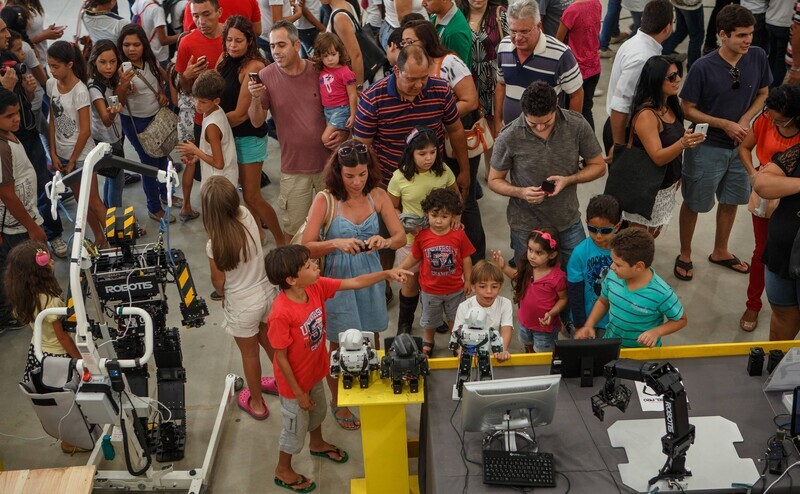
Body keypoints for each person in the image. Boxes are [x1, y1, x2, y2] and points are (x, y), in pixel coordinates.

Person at [264, 244, 410, 492]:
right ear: (291, 279)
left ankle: (318, 443)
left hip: (314, 372)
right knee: (294, 430)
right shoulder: (280, 313)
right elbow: (280, 358)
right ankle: (283, 469)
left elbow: (354, 282)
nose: (315, 265)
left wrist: (386, 274)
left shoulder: (315, 286)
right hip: (293, 387)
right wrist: (298, 393)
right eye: (308, 265)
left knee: (317, 412)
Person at [301, 139, 405, 430]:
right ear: (338, 172)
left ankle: (367, 385)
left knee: (370, 336)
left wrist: (384, 241)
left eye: (362, 174)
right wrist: (336, 243)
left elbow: (401, 237)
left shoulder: (378, 196)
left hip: (371, 275)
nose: (357, 181)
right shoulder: (325, 200)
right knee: (339, 343)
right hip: (338, 279)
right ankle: (339, 402)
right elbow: (305, 247)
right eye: (350, 176)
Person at [675, 4, 772, 281]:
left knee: (731, 200)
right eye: (741, 35)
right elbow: (687, 109)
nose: (748, 41)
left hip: (740, 147)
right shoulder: (702, 67)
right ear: (722, 35)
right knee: (694, 202)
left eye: (750, 34)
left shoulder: (757, 57)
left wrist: (744, 119)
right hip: (706, 146)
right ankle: (684, 253)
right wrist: (724, 124)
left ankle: (721, 250)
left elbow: (764, 92)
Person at [488, 81, 605, 267]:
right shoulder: (508, 136)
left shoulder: (576, 125)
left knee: (578, 274)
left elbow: (599, 165)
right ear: (523, 112)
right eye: (533, 123)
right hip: (526, 225)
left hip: (567, 221)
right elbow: (494, 180)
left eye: (547, 122)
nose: (540, 128)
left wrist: (569, 180)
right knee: (528, 283)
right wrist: (521, 192)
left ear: (556, 106)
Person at [248, 21, 344, 245]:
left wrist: (343, 133)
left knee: (333, 226)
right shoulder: (265, 76)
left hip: (328, 164)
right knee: (293, 230)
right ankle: (296, 278)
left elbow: (340, 107)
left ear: (296, 44)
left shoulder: (318, 71)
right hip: (293, 169)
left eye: (281, 45)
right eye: (272, 46)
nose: (276, 51)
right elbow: (256, 121)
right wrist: (254, 96)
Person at [400, 21, 484, 262]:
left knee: (463, 202)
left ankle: (475, 257)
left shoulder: (449, 62)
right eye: (403, 42)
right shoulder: (409, 66)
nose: (405, 46)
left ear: (425, 41)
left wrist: (440, 114)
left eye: (410, 41)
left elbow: (470, 100)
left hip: (456, 142)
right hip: (433, 148)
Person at [201, 176, 279, 420]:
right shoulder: (246, 214)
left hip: (242, 303)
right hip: (267, 291)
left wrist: (223, 295)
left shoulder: (215, 244)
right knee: (272, 345)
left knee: (249, 354)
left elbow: (219, 281)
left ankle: (256, 403)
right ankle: (283, 383)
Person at [354, 45, 470, 198]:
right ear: (397, 71)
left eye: (424, 78)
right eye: (411, 79)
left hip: (434, 182)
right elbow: (362, 147)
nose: (419, 85)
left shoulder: (441, 90)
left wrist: (465, 170)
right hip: (391, 186)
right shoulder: (373, 98)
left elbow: (455, 130)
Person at [215, 15, 284, 246]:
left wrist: (210, 126)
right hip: (229, 136)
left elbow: (241, 114)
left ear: (250, 41)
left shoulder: (254, 66)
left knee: (253, 196)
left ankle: (281, 239)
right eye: (229, 40)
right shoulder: (224, 59)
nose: (232, 46)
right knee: (243, 195)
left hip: (248, 137)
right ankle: (259, 235)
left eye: (239, 41)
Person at [737, 85, 800, 332]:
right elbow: (744, 147)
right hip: (766, 197)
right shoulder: (765, 120)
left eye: (781, 121)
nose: (775, 124)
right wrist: (753, 173)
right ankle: (753, 304)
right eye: (772, 118)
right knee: (762, 250)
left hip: (791, 202)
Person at [624, 56, 706, 236]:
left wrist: (677, 174)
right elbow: (658, 157)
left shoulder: (670, 106)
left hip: (665, 184)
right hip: (647, 187)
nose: (678, 80)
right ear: (655, 79)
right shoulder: (647, 115)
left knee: (654, 231)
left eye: (678, 74)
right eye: (671, 77)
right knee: (639, 236)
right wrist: (683, 143)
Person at [389, 127, 459, 335]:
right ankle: (405, 324)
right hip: (412, 239)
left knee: (436, 279)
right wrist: (405, 224)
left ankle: (434, 317)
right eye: (422, 154)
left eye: (432, 152)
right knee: (410, 282)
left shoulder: (444, 171)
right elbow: (392, 208)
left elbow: (457, 199)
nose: (428, 158)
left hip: (441, 239)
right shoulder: (399, 177)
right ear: (411, 152)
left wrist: (456, 217)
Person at [574, 228, 688, 348]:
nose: (612, 267)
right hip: (612, 345)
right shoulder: (612, 276)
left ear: (638, 266)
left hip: (642, 354)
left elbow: (681, 320)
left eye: (618, 264)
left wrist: (656, 332)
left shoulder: (662, 293)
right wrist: (589, 324)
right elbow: (603, 302)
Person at [399, 187, 474, 355]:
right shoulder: (423, 236)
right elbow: (414, 257)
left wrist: (468, 280)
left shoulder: (459, 234)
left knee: (456, 320)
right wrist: (399, 269)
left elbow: (466, 258)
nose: (439, 221)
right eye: (434, 215)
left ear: (453, 216)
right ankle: (428, 341)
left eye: (444, 216)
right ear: (426, 213)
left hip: (455, 289)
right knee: (429, 321)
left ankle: (457, 341)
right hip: (430, 290)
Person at [46, 41, 106, 248]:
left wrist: (72, 161)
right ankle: (100, 238)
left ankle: (120, 241)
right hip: (63, 156)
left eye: (56, 66)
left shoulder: (80, 91)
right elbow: (52, 120)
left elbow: (85, 131)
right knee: (82, 203)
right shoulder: (51, 84)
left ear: (70, 64)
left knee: (94, 202)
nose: (52, 70)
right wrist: (53, 153)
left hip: (82, 157)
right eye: (49, 65)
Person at [493, 0, 583, 130]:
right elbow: (501, 84)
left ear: (539, 26)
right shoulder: (504, 47)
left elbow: (576, 94)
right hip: (510, 135)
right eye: (513, 31)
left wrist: (570, 131)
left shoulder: (561, 54)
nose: (517, 38)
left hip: (547, 139)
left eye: (524, 31)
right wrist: (497, 121)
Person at [116, 24, 175, 224]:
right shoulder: (119, 68)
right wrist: (123, 86)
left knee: (164, 157)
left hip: (156, 117)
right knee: (149, 164)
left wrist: (161, 94)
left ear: (144, 45)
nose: (131, 49)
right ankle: (154, 207)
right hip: (135, 122)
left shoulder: (151, 61)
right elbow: (118, 102)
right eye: (126, 45)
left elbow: (161, 81)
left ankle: (165, 194)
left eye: (136, 45)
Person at [0, 87, 46, 333]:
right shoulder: (1, 148)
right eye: (9, 115)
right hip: (17, 226)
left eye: (18, 112)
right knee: (26, 270)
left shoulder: (8, 134)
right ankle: (22, 313)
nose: (17, 118)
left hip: (25, 217)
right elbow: (6, 193)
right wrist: (33, 227)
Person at [175, 0, 226, 224]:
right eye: (196, 16)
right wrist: (186, 75)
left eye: (206, 15)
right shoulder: (187, 43)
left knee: (224, 162)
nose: (201, 22)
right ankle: (186, 204)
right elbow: (182, 87)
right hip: (199, 117)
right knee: (193, 162)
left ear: (219, 12)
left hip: (227, 114)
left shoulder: (230, 37)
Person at [604, 0, 674, 154]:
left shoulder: (638, 43)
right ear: (668, 28)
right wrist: (620, 148)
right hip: (625, 131)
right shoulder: (642, 58)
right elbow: (620, 105)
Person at [4, 241, 79, 378]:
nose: (53, 262)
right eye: (49, 261)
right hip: (58, 354)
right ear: (39, 273)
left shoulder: (24, 294)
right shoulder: (51, 302)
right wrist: (81, 361)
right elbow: (62, 338)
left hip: (38, 348)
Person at [493, 228, 566, 353]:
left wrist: (552, 313)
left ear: (552, 254)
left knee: (543, 353)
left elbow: (563, 298)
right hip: (524, 322)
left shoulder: (557, 277)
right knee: (528, 344)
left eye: (539, 253)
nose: (532, 256)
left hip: (544, 328)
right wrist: (504, 267)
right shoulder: (528, 267)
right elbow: (517, 277)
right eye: (530, 250)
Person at [460, 0, 507, 174]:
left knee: (493, 124)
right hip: (466, 80)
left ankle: (492, 171)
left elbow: (512, 45)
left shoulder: (499, 14)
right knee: (467, 124)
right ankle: (467, 169)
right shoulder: (458, 15)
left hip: (493, 80)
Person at [566, 195, 620, 337]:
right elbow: (575, 291)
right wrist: (579, 324)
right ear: (586, 222)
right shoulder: (580, 253)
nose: (598, 236)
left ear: (617, 226)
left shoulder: (624, 251)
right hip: (584, 319)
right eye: (592, 229)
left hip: (614, 321)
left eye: (605, 230)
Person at [176, 71, 239, 189]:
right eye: (195, 99)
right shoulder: (214, 110)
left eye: (203, 102)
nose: (197, 105)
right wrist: (198, 156)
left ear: (216, 101)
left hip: (218, 185)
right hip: (225, 179)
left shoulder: (212, 127)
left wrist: (195, 150)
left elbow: (219, 164)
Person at [87, 40, 125, 209]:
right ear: (94, 62)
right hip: (106, 140)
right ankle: (115, 221)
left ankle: (109, 211)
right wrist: (112, 113)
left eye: (112, 62)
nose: (108, 67)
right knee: (117, 181)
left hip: (116, 137)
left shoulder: (109, 80)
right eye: (103, 62)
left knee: (111, 178)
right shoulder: (95, 87)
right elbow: (106, 120)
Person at [453, 260, 512, 361]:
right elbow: (457, 334)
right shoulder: (464, 307)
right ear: (473, 286)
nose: (489, 291)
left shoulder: (505, 303)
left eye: (494, 286)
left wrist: (502, 350)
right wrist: (462, 352)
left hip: (494, 355)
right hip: (470, 355)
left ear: (500, 287)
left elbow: (506, 329)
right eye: (482, 286)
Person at [555, 0, 601, 129]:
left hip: (574, 71)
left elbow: (558, 42)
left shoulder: (572, 11)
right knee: (586, 110)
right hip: (594, 67)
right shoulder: (596, 3)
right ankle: (590, 145)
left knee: (570, 116)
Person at [313, 33, 357, 143]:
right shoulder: (323, 69)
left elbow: (352, 94)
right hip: (327, 110)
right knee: (336, 141)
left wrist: (353, 115)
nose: (330, 59)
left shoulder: (345, 72)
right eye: (326, 56)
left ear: (339, 53)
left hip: (341, 110)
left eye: (333, 54)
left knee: (326, 139)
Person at [324, 0, 365, 86]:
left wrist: (358, 87)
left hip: (347, 79)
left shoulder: (339, 17)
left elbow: (356, 56)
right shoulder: (347, 5)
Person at [131, 0, 181, 69]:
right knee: (166, 78)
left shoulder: (138, 2)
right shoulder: (156, 10)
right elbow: (163, 41)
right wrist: (182, 35)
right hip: (159, 56)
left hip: (145, 51)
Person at [423, 0, 472, 67]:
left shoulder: (455, 33)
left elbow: (456, 72)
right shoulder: (436, 14)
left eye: (428, 0)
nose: (423, 4)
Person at [661, 0, 705, 69]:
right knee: (696, 38)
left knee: (681, 31)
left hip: (679, 3)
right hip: (691, 4)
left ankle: (662, 53)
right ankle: (693, 69)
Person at [765, 0, 792, 87]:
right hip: (785, 23)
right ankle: (773, 88)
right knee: (781, 59)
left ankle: (765, 84)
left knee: (772, 54)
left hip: (771, 19)